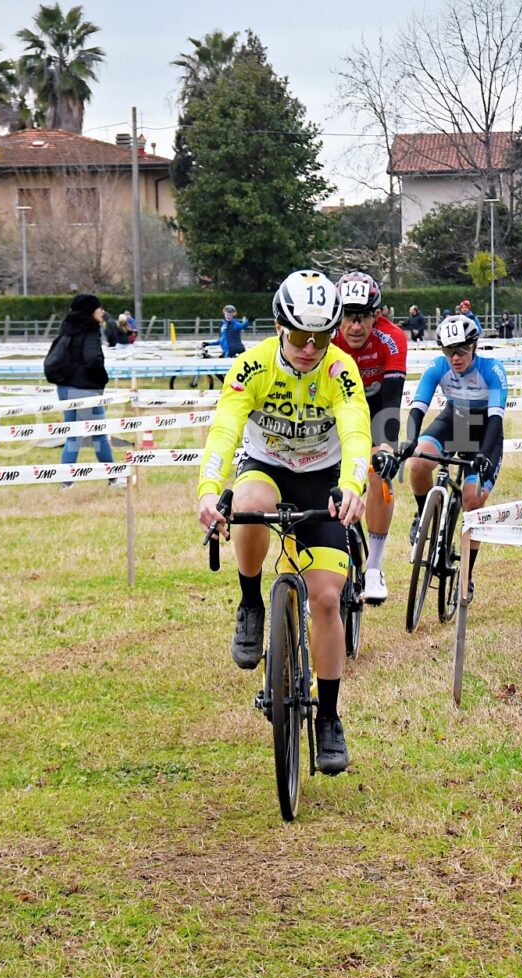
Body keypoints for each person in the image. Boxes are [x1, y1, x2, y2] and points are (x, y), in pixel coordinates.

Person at [198, 270, 371, 775]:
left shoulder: (340, 369)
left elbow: (356, 432)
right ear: (279, 327)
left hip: (322, 478)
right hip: (267, 466)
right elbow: (224, 430)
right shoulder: (251, 367)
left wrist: (353, 485)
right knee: (248, 502)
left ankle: (329, 717)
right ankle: (251, 601)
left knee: (326, 598)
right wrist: (208, 490)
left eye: (322, 336)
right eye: (299, 336)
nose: (310, 348)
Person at [401, 314, 507, 601]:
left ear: (474, 346)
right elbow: (418, 407)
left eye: (461, 350)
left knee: (473, 500)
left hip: (484, 430)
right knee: (418, 463)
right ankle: (424, 516)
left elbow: (495, 419)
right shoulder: (438, 367)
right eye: (449, 351)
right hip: (455, 420)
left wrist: (483, 455)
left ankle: (466, 576)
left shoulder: (492, 370)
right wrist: (410, 440)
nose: (455, 357)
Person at [333, 270, 408, 603]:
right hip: (337, 409)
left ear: (376, 315)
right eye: (348, 316)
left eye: (363, 316)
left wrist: (387, 447)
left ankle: (374, 567)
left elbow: (391, 402)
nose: (355, 326)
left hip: (377, 408)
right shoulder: (325, 338)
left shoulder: (392, 338)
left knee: (379, 472)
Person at [54, 293, 118, 488]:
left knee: (73, 436)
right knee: (99, 435)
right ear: (91, 310)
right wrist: (102, 380)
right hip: (85, 389)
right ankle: (113, 478)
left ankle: (66, 482)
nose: (101, 311)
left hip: (65, 388)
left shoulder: (67, 329)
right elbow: (93, 360)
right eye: (99, 308)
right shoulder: (90, 332)